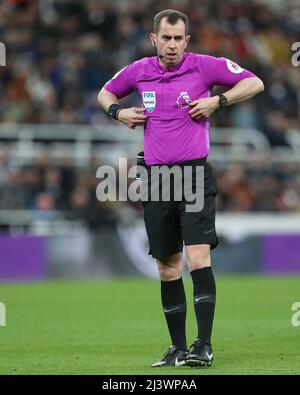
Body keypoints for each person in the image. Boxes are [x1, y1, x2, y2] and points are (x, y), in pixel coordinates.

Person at [98, 9, 264, 368]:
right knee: (167, 268)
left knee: (198, 258)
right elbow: (105, 93)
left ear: (186, 41)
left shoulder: (205, 66)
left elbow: (254, 82)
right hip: (157, 179)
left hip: (192, 176)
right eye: (166, 37)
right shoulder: (139, 71)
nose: (172, 45)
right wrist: (118, 112)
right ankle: (176, 349)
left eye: (178, 38)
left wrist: (217, 101)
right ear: (153, 39)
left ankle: (202, 345)